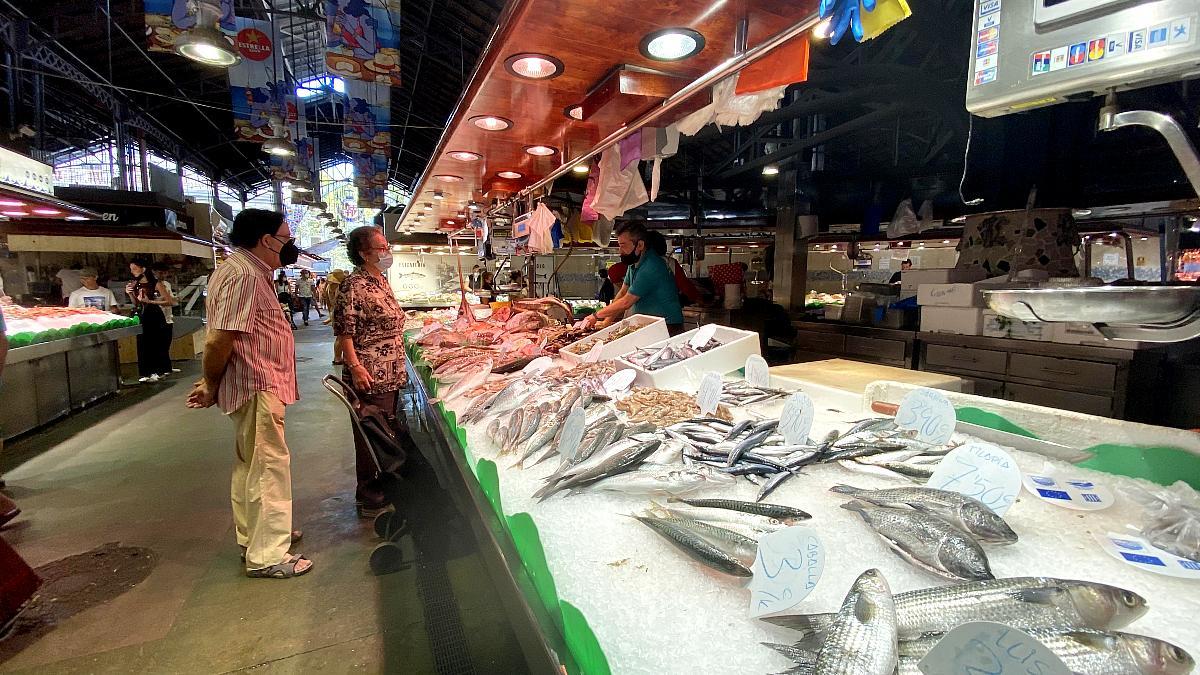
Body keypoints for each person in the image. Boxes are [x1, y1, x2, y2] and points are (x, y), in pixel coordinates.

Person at [186, 208, 309, 579]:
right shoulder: (244, 276)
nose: (290, 246)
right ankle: (268, 555)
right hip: (257, 382)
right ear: (265, 240)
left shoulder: (248, 271)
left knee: (250, 465)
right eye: (286, 239)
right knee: (267, 467)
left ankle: (254, 538)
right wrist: (209, 382)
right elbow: (219, 337)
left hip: (256, 382)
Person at [333, 226, 410, 517]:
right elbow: (344, 331)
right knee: (371, 434)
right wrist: (355, 366)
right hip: (369, 373)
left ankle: (383, 484)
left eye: (386, 245)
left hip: (390, 371)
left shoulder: (380, 280)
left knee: (384, 430)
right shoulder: (354, 284)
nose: (387, 250)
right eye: (381, 247)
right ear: (364, 253)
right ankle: (369, 494)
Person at [584, 222, 684, 334]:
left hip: (667, 327)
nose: (620, 251)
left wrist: (595, 315)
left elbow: (626, 302)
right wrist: (606, 322)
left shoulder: (651, 266)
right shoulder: (634, 264)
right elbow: (622, 293)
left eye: (623, 245)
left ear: (640, 245)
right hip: (650, 326)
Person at [127, 259, 173, 382]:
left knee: (156, 342)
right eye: (131, 269)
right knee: (142, 343)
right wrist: (130, 294)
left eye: (135, 269)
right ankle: (145, 372)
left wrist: (151, 301)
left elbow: (169, 301)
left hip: (154, 314)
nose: (133, 272)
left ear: (143, 269)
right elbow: (136, 302)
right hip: (142, 315)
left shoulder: (156, 283)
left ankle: (158, 370)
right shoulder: (135, 284)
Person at [152, 262, 181, 374]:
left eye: (165, 273)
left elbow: (171, 300)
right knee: (160, 345)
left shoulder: (167, 284)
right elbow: (162, 301)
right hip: (159, 317)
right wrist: (166, 301)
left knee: (166, 344)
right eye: (160, 273)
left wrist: (175, 299)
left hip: (168, 317)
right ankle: (160, 369)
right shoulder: (153, 284)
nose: (162, 275)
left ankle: (167, 367)